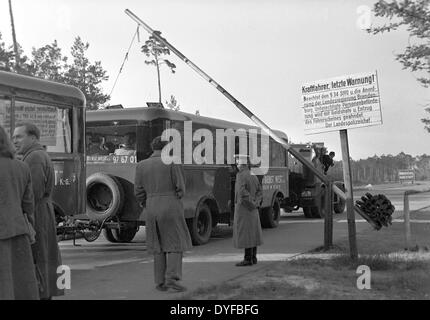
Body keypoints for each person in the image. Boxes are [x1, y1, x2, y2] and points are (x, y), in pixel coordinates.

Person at [12, 122, 64, 300]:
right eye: (13, 137)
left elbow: (32, 193)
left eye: (19, 136)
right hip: (42, 211)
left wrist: (27, 221)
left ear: (33, 137)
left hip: (37, 213)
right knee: (45, 256)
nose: (15, 141)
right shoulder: (37, 155)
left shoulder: (33, 157)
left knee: (38, 255)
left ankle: (41, 293)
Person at [134, 136, 192, 292]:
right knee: (175, 243)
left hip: (151, 206)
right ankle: (172, 278)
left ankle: (159, 281)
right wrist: (177, 196)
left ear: (153, 148)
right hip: (171, 204)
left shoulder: (141, 165)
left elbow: (138, 191)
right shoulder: (172, 161)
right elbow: (180, 187)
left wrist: (146, 202)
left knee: (157, 245)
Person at [0, 125, 39, 300]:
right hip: (17, 234)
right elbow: (28, 206)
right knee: (18, 286)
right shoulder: (21, 167)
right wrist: (30, 228)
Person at [232, 155, 263, 266]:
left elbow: (242, 193)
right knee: (253, 233)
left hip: (244, 209)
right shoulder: (253, 174)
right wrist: (256, 203)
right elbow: (260, 191)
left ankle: (247, 258)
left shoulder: (240, 175)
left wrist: (250, 203)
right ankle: (253, 258)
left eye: (237, 163)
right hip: (253, 210)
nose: (236, 165)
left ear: (242, 164)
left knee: (246, 234)